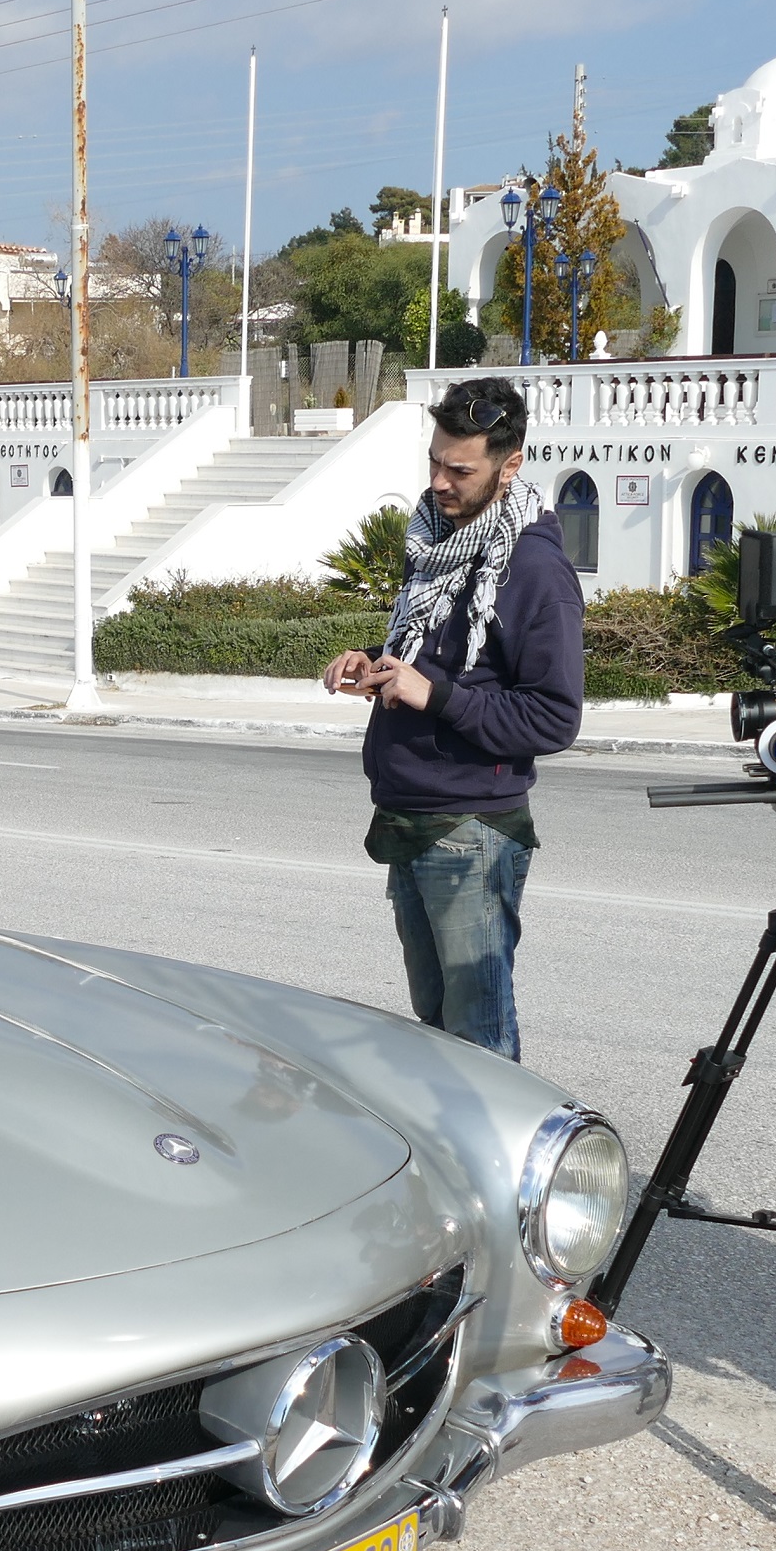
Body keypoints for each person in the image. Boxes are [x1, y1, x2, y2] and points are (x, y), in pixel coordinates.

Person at [319, 376, 583, 1060]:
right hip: (409, 819)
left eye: (459, 470)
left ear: (509, 465)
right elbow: (446, 656)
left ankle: (503, 1137)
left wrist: (432, 694)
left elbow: (553, 718)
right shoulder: (438, 542)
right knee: (437, 1032)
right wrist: (378, 664)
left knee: (479, 1040)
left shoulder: (533, 567)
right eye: (434, 462)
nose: (439, 482)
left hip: (471, 833)